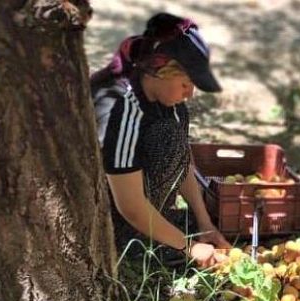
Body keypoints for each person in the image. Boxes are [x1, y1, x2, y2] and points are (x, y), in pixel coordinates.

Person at [91, 13, 231, 265]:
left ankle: (157, 231)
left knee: (172, 131)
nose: (190, 94)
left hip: (146, 206)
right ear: (159, 71)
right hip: (112, 219)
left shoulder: (171, 103)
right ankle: (130, 246)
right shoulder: (122, 110)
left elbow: (182, 160)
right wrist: (188, 247)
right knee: (162, 134)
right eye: (186, 83)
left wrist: (204, 223)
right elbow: (131, 206)